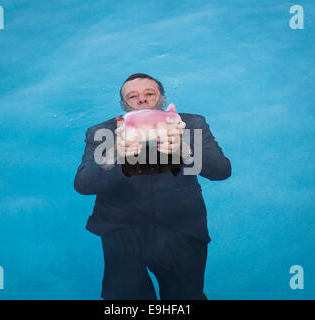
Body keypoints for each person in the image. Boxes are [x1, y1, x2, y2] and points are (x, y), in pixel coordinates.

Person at [74, 73, 232, 300]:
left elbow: (221, 171)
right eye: (133, 96)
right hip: (121, 229)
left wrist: (186, 151)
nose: (142, 100)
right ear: (123, 105)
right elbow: (82, 184)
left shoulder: (191, 124)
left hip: (181, 226)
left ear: (162, 99)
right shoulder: (102, 132)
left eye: (149, 94)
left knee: (186, 298)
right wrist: (113, 156)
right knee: (124, 299)